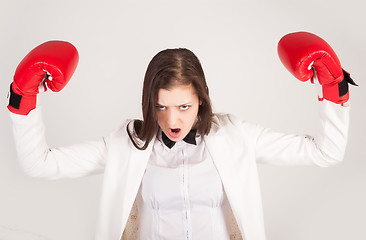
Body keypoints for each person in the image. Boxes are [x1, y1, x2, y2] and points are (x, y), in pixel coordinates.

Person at [7, 32, 356, 240]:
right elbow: (39, 164)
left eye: (184, 107)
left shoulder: (235, 135)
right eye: (161, 107)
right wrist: (24, 99)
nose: (172, 120)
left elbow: (325, 153)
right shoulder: (127, 143)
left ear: (201, 98)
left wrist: (333, 87)